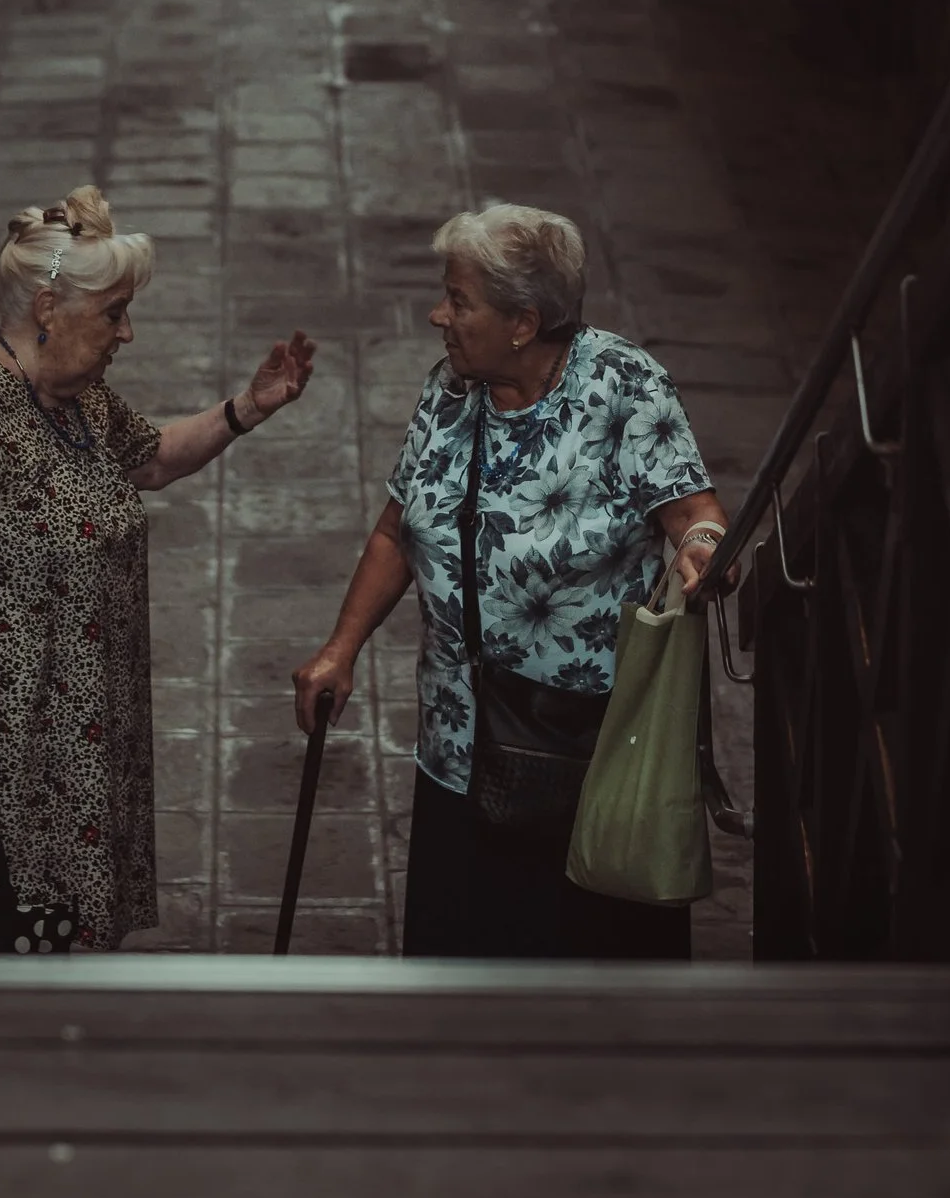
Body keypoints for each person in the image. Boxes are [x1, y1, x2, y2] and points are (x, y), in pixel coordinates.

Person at [0, 184, 317, 949]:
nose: (128, 332)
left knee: (59, 943)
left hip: (68, 747)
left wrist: (249, 405)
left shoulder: (68, 396)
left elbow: (150, 461)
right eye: (114, 312)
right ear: (49, 308)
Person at [292, 203, 726, 959]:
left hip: (584, 751)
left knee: (582, 972)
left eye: (459, 300)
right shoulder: (450, 391)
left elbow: (695, 513)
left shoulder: (623, 385)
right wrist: (341, 647)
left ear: (523, 321)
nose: (438, 315)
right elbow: (399, 526)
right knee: (463, 958)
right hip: (462, 737)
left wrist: (703, 544)